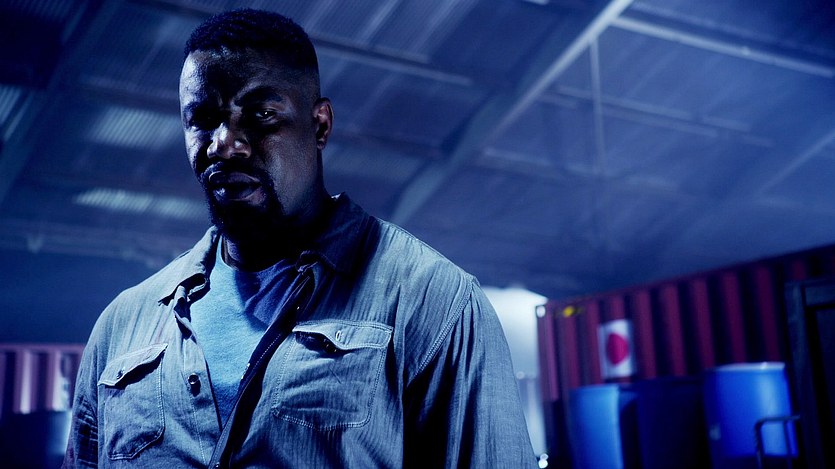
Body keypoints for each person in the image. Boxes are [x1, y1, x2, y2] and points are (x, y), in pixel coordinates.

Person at [63, 8, 535, 468]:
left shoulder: (434, 303)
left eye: (261, 114)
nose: (223, 144)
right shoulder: (121, 327)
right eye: (202, 118)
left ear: (320, 125)